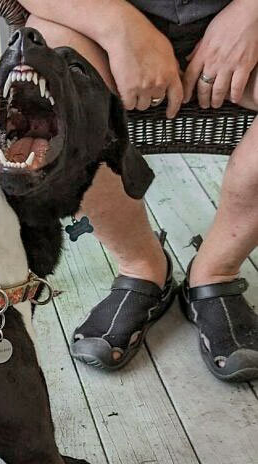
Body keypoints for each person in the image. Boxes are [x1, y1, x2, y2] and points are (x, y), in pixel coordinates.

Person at [19, 0, 258, 382]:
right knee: (51, 98)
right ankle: (143, 265)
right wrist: (117, 23)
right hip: (92, 17)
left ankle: (216, 269)